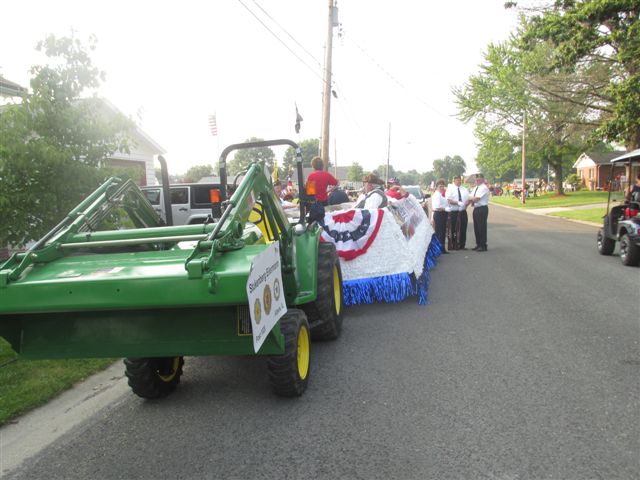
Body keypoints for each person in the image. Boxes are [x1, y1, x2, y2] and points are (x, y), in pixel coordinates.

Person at [445, 175, 469, 250]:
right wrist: (457, 203)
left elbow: (469, 199)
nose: (459, 181)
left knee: (463, 228)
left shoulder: (464, 189)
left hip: (462, 211)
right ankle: (453, 244)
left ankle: (462, 245)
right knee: (453, 228)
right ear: (454, 181)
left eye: (460, 180)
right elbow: (449, 200)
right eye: (457, 180)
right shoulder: (450, 189)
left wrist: (465, 205)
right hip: (454, 212)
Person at [469, 173, 490, 252]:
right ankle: (478, 244)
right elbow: (469, 196)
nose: (477, 181)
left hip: (482, 208)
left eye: (479, 179)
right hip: (476, 208)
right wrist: (471, 198)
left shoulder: (483, 188)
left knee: (481, 227)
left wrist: (471, 198)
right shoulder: (476, 188)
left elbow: (476, 199)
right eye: (476, 179)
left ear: (483, 180)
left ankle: (483, 245)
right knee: (476, 228)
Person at [430, 179, 449, 253]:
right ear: (437, 187)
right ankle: (440, 249)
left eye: (443, 186)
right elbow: (438, 207)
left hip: (441, 214)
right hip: (439, 214)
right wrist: (447, 209)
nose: (442, 188)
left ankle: (441, 248)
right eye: (440, 186)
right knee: (440, 232)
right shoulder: (437, 195)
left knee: (441, 232)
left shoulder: (439, 194)